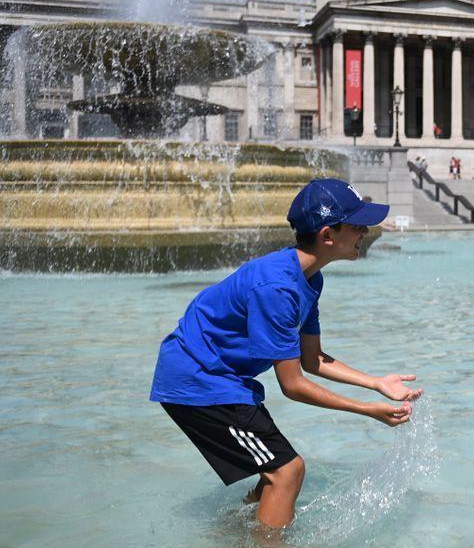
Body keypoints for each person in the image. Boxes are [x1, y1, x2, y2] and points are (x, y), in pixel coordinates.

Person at [150, 179, 422, 529]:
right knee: (287, 471)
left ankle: (235, 532)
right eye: (357, 225)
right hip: (199, 380)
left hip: (219, 377)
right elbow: (292, 385)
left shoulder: (309, 279)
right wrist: (366, 410)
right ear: (328, 235)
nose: (365, 232)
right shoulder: (277, 287)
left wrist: (375, 383)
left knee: (273, 472)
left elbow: (313, 360)